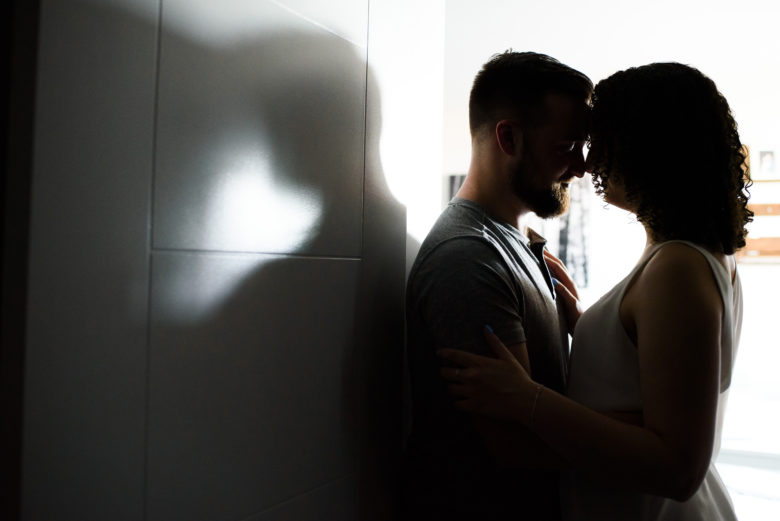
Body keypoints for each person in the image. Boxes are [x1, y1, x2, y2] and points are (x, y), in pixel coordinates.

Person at [439, 62, 752, 520]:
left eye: (604, 142)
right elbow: (657, 391)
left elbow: (679, 466)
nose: (590, 163)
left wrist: (528, 399)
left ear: (651, 150)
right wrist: (589, 328)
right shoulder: (687, 255)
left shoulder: (677, 268)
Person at [402, 51, 592, 520]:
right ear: (508, 137)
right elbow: (518, 446)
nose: (581, 168)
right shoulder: (468, 258)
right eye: (567, 146)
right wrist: (650, 448)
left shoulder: (522, 242)